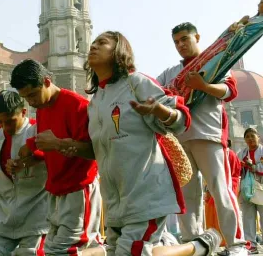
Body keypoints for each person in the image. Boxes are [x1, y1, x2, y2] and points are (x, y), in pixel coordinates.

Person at [83, 30, 224, 256]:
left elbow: (182, 119)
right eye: (93, 43)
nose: (93, 46)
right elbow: (99, 150)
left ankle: (200, 246)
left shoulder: (135, 83)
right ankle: (198, 247)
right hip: (115, 201)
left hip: (145, 195)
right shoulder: (96, 100)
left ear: (119, 50)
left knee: (132, 252)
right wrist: (66, 145)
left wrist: (160, 110)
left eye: (102, 43)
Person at [156, 22, 246, 255]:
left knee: (220, 190)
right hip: (180, 139)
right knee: (188, 195)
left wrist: (203, 85)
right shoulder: (170, 72)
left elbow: (229, 91)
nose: (181, 45)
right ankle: (193, 242)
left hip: (209, 135)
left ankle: (236, 244)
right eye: (176, 42)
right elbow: (156, 92)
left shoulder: (215, 63)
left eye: (185, 39)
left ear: (197, 37)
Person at [10, 59, 102, 254]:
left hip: (78, 189)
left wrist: (58, 144)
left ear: (46, 81)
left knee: (69, 249)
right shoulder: (43, 109)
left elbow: (95, 151)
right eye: (26, 98)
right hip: (54, 191)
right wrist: (28, 159)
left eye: (33, 94)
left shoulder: (77, 105)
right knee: (53, 249)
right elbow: (48, 150)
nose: (32, 102)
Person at [0, 90, 49, 255]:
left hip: (36, 213)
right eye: (1, 122)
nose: (6, 127)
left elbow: (52, 157)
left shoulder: (38, 131)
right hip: (3, 216)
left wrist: (28, 161)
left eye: (11, 121)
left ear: (23, 112)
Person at [204, 140, 242, 250]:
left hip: (227, 186)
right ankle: (218, 240)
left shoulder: (229, 154)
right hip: (217, 187)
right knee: (215, 213)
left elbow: (234, 173)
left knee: (224, 211)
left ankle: (228, 241)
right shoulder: (218, 154)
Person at [237, 128, 263, 254]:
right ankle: (251, 245)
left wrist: (253, 166)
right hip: (246, 189)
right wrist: (241, 165)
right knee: (248, 217)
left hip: (261, 188)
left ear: (258, 137)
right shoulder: (241, 153)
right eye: (247, 137)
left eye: (252, 136)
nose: (250, 139)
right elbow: (235, 167)